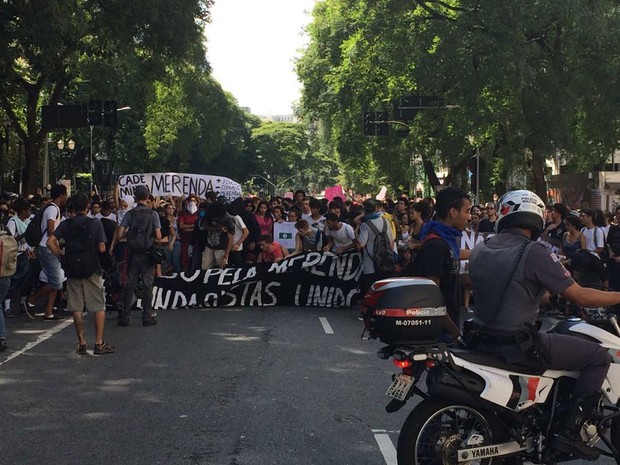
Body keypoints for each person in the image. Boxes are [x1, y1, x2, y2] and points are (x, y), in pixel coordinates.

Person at [468, 189, 618, 460]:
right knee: (597, 356)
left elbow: (524, 290)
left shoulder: (482, 248)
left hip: (481, 337)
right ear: (536, 217)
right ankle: (568, 436)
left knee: (558, 333)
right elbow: (581, 296)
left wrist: (544, 293)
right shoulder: (534, 251)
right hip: (517, 345)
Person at [47, 193, 114, 355]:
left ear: (72, 208)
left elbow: (50, 241)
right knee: (98, 305)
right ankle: (98, 342)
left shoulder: (66, 224)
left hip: (72, 269)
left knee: (76, 306)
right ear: (88, 206)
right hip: (92, 268)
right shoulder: (95, 224)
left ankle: (82, 342)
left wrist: (61, 257)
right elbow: (102, 248)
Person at [403, 187, 470, 340]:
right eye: (467, 211)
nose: (469, 217)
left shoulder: (446, 241)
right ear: (453, 212)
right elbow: (432, 298)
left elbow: (455, 253)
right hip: (439, 333)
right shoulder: (436, 246)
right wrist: (455, 334)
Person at [116, 186, 161, 327]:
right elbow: (159, 236)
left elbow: (119, 235)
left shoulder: (129, 214)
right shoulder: (153, 215)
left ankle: (126, 316)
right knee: (147, 285)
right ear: (148, 197)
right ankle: (146, 316)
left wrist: (129, 235)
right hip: (147, 254)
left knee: (130, 284)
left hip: (133, 254)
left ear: (135, 197)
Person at [25, 184, 68, 320]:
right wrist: (57, 248)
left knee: (55, 278)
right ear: (61, 195)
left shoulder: (55, 209)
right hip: (47, 247)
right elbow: (51, 231)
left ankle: (48, 311)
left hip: (49, 247)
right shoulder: (52, 210)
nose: (66, 197)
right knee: (56, 282)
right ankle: (32, 300)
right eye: (65, 195)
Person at [355, 199, 395, 296]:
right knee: (384, 292)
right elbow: (391, 242)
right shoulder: (386, 221)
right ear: (376, 208)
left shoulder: (365, 224)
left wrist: (355, 232)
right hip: (386, 262)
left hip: (370, 264)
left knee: (373, 292)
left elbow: (361, 244)